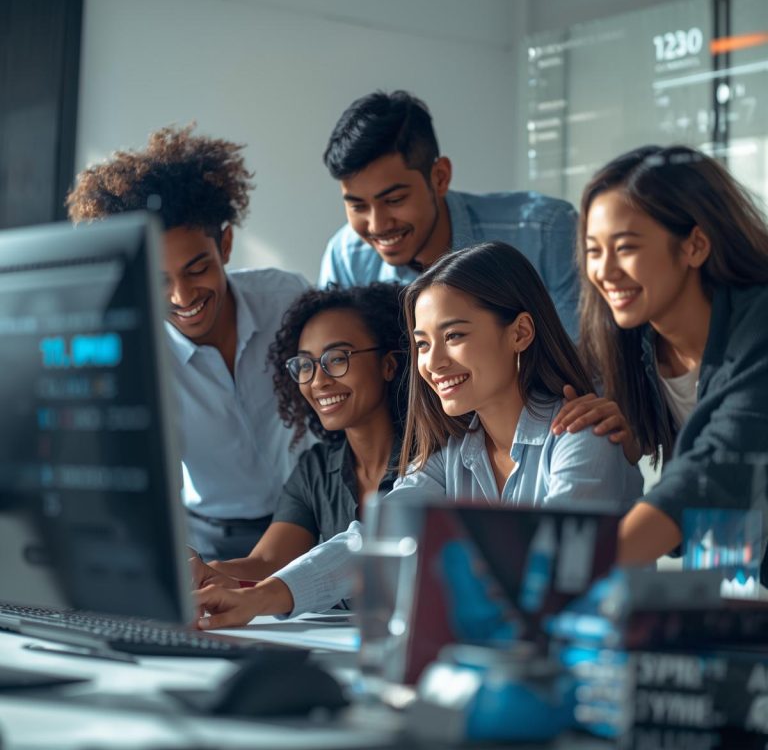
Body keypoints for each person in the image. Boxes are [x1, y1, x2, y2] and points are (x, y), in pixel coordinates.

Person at [194, 242, 642, 629]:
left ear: (520, 332)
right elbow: (373, 539)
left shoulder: (581, 434)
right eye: (423, 344)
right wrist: (258, 599)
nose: (433, 363)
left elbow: (553, 569)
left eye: (454, 335)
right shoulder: (453, 455)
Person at [66, 125, 309, 561]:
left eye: (197, 269)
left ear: (226, 246)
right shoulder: (135, 355)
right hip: (211, 537)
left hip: (311, 518)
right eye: (159, 280)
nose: (182, 296)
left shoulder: (288, 300)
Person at [550, 144, 768, 571]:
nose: (605, 271)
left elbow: (714, 474)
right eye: (594, 251)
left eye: (625, 247)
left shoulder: (759, 326)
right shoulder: (633, 345)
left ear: (694, 246)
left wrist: (571, 578)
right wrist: (629, 438)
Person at [189, 283, 407, 588]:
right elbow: (269, 562)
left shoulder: (434, 459)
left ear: (389, 364)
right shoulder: (314, 468)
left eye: (337, 358)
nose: (318, 381)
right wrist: (203, 572)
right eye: (305, 365)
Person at [318, 90, 581, 339]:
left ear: (440, 178)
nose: (377, 225)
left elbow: (579, 359)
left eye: (394, 200)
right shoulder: (345, 259)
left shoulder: (545, 233)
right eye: (358, 206)